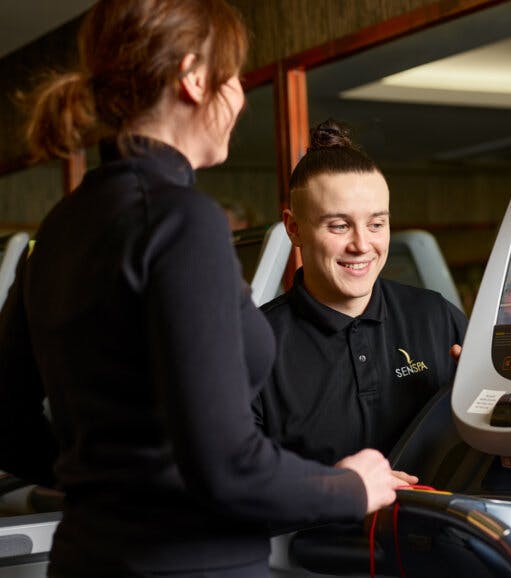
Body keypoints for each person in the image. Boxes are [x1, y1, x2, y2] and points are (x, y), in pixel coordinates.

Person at [0, 2, 409, 577]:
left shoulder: (63, 225)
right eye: (234, 78)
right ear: (194, 78)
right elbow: (228, 466)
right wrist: (348, 486)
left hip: (88, 559)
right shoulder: (180, 221)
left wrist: (116, 484)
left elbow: (9, 427)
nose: (238, 97)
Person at [254, 120, 468, 466]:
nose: (362, 245)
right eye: (339, 226)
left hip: (437, 519)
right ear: (294, 229)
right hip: (320, 521)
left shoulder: (435, 316)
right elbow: (232, 484)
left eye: (376, 224)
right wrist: (337, 489)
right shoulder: (254, 343)